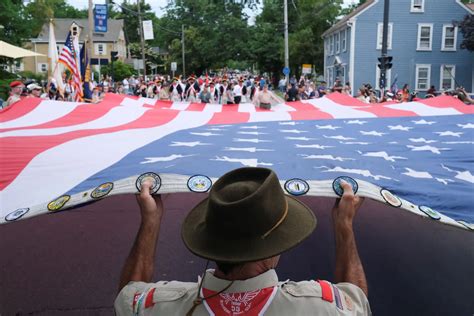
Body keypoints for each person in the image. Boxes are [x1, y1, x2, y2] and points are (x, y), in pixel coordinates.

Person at [115, 167, 370, 315]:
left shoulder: (163, 307)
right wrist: (344, 226)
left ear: (209, 240)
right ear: (273, 248)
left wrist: (150, 221)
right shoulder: (319, 306)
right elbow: (357, 300)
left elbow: (127, 298)